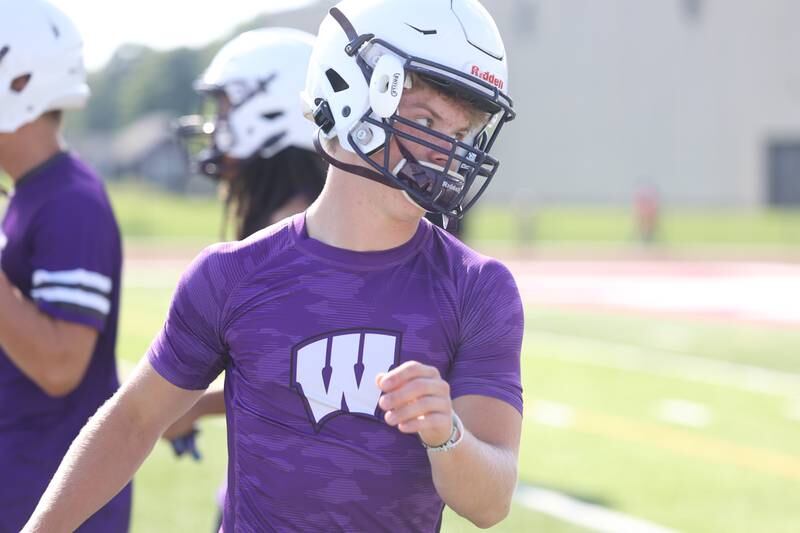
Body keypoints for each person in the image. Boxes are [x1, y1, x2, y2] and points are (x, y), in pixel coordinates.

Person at [23, 1, 523, 531]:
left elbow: (490, 504)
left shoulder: (477, 288)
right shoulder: (232, 275)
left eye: (462, 133)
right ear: (352, 96)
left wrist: (448, 435)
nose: (447, 153)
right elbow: (132, 422)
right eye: (426, 121)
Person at [168, 27, 326, 530]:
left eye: (226, 108)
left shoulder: (292, 243)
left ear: (276, 109)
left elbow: (310, 392)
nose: (215, 126)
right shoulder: (292, 229)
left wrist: (192, 406)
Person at [0, 1, 131, 531]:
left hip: (50, 500)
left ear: (20, 77)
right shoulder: (32, 194)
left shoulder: (70, 202)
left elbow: (60, 366)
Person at [175, 28, 326, 241]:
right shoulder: (331, 225)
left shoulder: (284, 239)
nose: (215, 125)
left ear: (270, 110)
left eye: (223, 108)